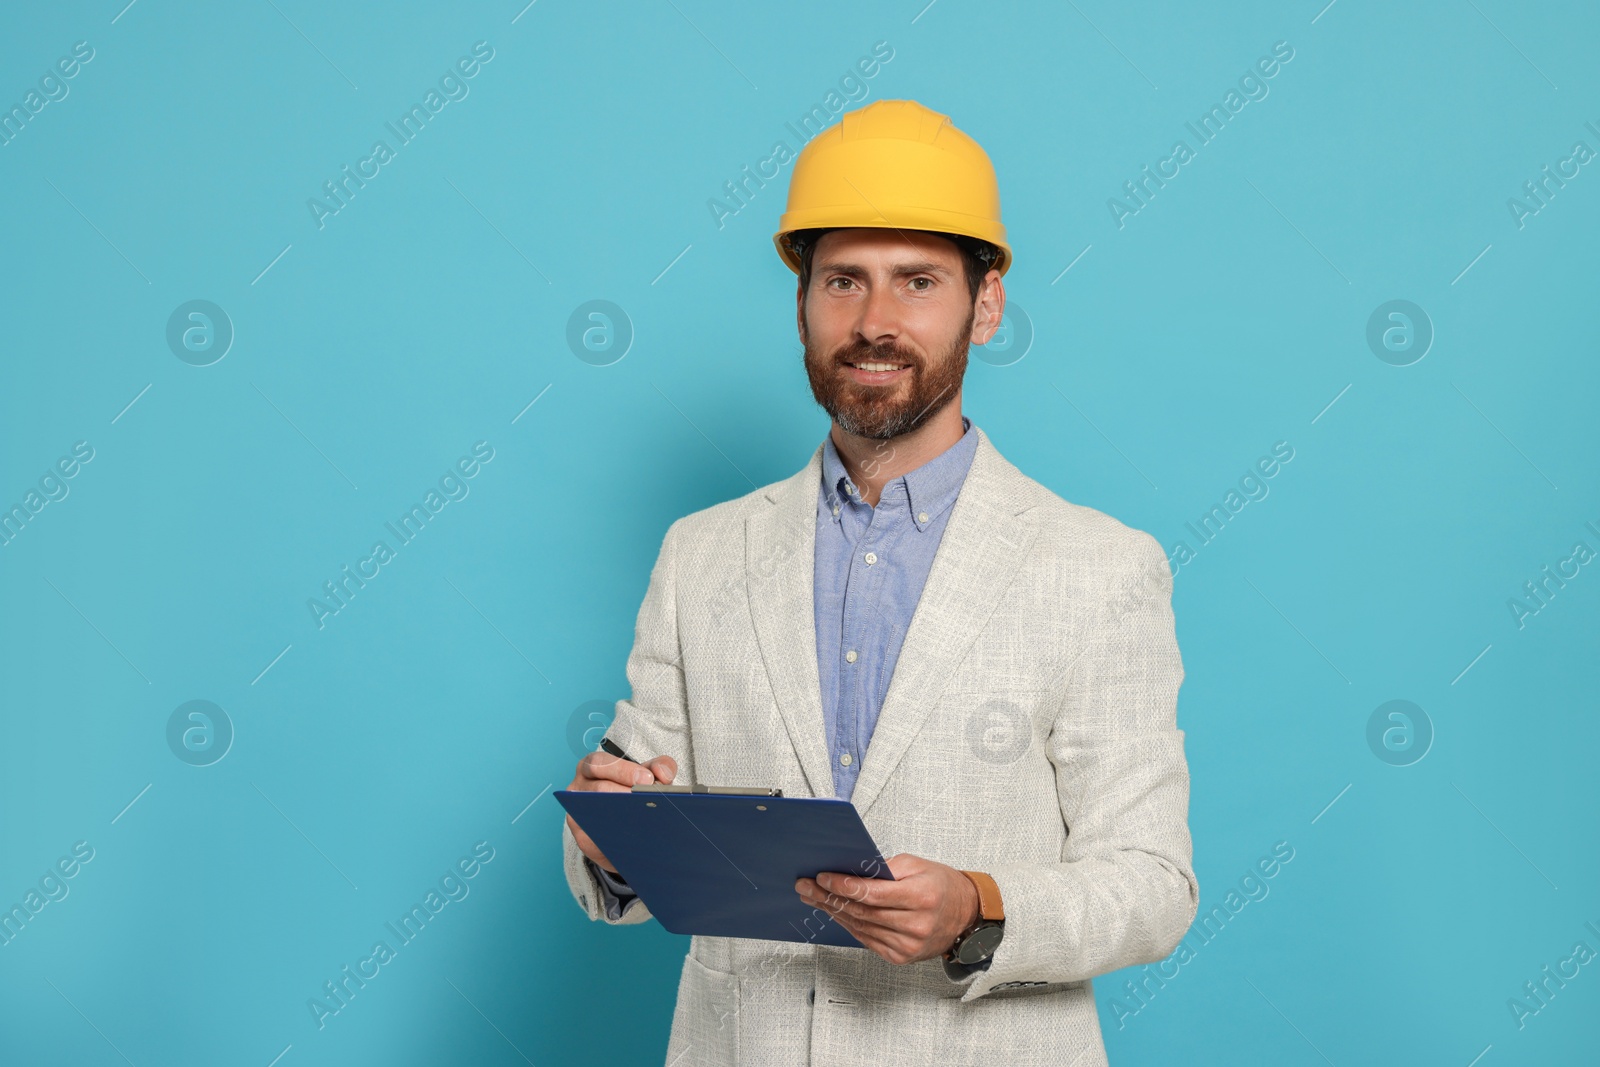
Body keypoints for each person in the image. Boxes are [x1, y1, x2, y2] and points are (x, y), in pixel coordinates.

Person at [560, 98, 1197, 1066]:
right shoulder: (701, 552)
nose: (874, 321)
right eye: (842, 281)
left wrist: (977, 909)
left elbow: (1151, 883)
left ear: (984, 305)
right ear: (802, 300)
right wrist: (614, 836)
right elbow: (642, 820)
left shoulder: (1099, 567)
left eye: (918, 282)